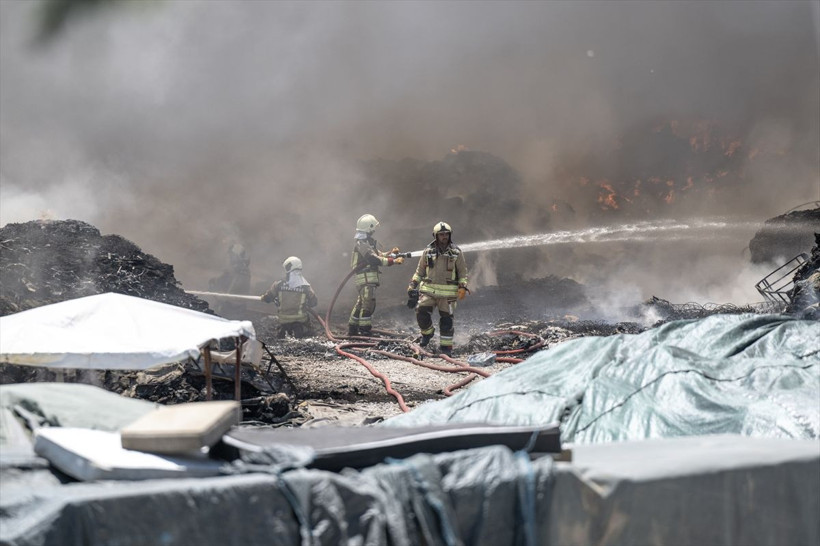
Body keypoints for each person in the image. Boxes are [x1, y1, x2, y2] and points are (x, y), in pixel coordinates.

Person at [406, 221, 468, 355]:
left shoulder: (456, 252)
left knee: (446, 321)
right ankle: (428, 333)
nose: (444, 236)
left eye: (446, 234)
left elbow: (463, 273)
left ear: (450, 235)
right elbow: (419, 272)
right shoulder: (428, 252)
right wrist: (412, 285)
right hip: (429, 291)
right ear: (436, 236)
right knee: (421, 312)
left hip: (448, 294)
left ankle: (446, 348)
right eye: (441, 234)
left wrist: (462, 287)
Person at [348, 213, 405, 336]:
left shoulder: (367, 242)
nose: (374, 230)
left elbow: (378, 254)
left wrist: (391, 253)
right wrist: (393, 261)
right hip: (365, 279)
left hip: (367, 279)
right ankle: (364, 330)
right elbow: (373, 259)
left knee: (361, 303)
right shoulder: (361, 243)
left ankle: (352, 328)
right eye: (373, 228)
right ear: (369, 228)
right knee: (368, 304)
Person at [261, 256, 318, 338]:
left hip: (283, 321)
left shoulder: (278, 284)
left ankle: (284, 330)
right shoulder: (305, 286)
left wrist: (264, 297)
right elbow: (314, 302)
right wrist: (306, 304)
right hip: (300, 321)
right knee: (312, 331)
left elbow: (268, 298)